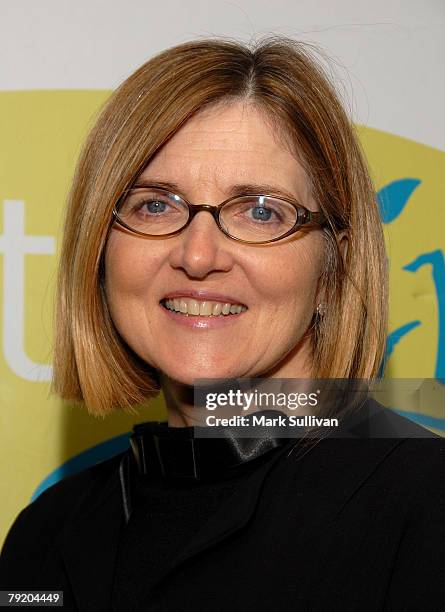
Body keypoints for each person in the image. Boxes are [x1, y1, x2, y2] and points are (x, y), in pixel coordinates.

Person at [1, 36, 444, 611]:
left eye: (262, 211)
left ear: (334, 263)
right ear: (100, 248)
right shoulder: (46, 535)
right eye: (155, 204)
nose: (199, 254)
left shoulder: (427, 503)